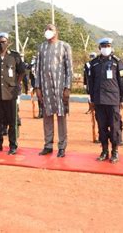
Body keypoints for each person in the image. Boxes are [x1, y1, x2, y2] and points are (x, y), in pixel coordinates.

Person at [35, 24, 73, 158]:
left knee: (61, 117)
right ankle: (48, 145)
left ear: (56, 32)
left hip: (60, 88)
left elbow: (69, 68)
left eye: (50, 29)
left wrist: (67, 87)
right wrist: (37, 87)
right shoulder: (41, 47)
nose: (48, 31)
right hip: (45, 88)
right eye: (46, 29)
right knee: (47, 116)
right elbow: (37, 69)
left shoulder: (65, 46)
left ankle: (62, 147)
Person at [88, 38, 123, 163]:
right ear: (99, 48)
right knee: (102, 127)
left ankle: (114, 151)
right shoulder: (94, 63)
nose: (106, 48)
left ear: (111, 47)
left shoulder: (117, 62)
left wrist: (122, 98)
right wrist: (91, 98)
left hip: (113, 100)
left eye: (108, 46)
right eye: (103, 46)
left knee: (115, 127)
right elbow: (91, 82)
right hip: (99, 100)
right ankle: (104, 151)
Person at [0, 32, 25, 155]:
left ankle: (13, 146)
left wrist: (17, 85)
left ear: (8, 43)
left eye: (4, 42)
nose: (1, 44)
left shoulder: (14, 56)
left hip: (10, 93)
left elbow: (22, 72)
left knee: (12, 121)